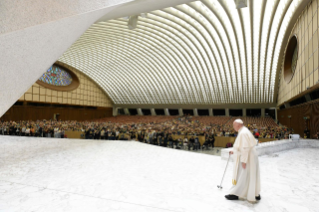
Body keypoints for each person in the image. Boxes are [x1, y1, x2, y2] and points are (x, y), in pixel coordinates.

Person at [225, 119, 261, 202]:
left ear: (238, 125)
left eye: (234, 125)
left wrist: (244, 161)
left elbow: (245, 148)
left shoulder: (243, 133)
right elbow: (242, 146)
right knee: (251, 175)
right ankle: (255, 193)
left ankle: (236, 194)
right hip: (250, 155)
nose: (233, 127)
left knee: (242, 175)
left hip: (247, 157)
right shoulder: (244, 130)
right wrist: (234, 151)